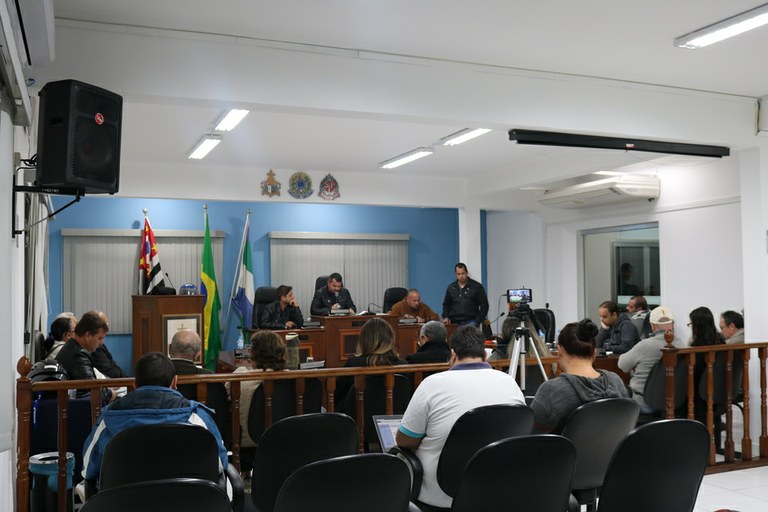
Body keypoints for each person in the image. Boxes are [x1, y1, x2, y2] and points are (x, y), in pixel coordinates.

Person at [396, 325, 525, 510]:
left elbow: (404, 440)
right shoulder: (510, 383)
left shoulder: (431, 385)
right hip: (496, 491)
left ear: (453, 354)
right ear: (485, 355)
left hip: (439, 497)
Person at [81, 352, 228, 484]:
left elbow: (88, 468)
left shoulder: (109, 419)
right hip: (187, 500)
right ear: (174, 382)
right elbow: (220, 464)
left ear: (134, 384)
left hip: (122, 502)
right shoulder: (196, 417)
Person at [530, 319, 629, 433]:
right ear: (594, 353)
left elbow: (531, 433)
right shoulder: (616, 381)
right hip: (612, 445)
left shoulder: (552, 390)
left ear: (560, 351)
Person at [228, 330, 288, 455]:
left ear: (253, 353)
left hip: (248, 449)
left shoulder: (238, 380)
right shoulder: (296, 380)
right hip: (290, 446)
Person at [617, 306, 686, 412]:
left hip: (644, 403)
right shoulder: (682, 345)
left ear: (652, 326)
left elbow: (622, 365)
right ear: (672, 324)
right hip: (674, 403)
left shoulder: (645, 345)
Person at [335, 317, 407, 404]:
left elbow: (337, 394)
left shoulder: (353, 364)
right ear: (391, 339)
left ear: (363, 340)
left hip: (358, 412)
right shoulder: (403, 366)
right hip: (397, 412)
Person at [55, 311, 116, 403]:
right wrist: (110, 394)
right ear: (88, 335)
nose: (101, 343)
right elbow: (92, 391)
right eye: (99, 338)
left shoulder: (73, 347)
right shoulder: (77, 355)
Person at [89, 311, 128, 378]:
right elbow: (108, 370)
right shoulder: (95, 347)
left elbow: (112, 364)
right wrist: (126, 378)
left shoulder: (100, 344)